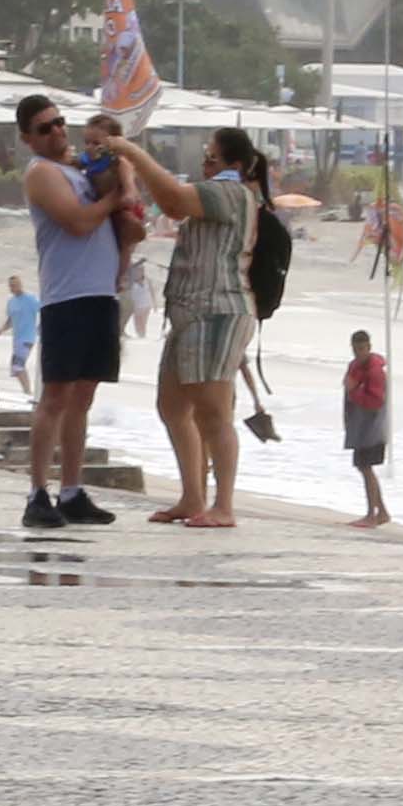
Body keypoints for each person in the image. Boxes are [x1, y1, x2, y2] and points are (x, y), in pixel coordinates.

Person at [109, 124, 263, 530]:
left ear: (233, 163)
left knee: (213, 411)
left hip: (217, 310)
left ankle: (223, 504)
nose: (206, 162)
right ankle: (193, 497)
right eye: (205, 156)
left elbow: (174, 200)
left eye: (212, 157)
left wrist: (133, 153)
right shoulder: (215, 193)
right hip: (190, 312)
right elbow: (173, 203)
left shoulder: (230, 192)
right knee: (173, 405)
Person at [16, 93, 134, 532]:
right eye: (45, 128)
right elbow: (79, 221)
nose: (57, 132)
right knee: (55, 397)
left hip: (101, 291)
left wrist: (117, 183)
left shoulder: (80, 167)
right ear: (28, 138)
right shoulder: (42, 173)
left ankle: (71, 488)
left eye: (60, 122)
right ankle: (37, 492)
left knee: (83, 396)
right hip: (66, 296)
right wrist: (116, 199)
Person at [343, 329, 391, 528]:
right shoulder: (354, 366)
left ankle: (372, 514)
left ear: (369, 347)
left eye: (362, 349)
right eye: (355, 349)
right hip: (359, 426)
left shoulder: (375, 371)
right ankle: (382, 513)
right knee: (363, 467)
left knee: (366, 467)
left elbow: (375, 402)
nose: (358, 353)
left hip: (372, 428)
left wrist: (354, 390)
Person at [2, 272, 38, 391]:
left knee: (18, 366)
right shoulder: (11, 301)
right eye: (11, 285)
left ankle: (28, 391)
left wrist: (41, 327)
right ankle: (27, 390)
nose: (13, 287)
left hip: (27, 338)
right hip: (17, 339)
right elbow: (11, 320)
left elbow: (44, 310)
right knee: (14, 369)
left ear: (20, 285)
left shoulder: (30, 299)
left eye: (16, 285)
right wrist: (2, 329)